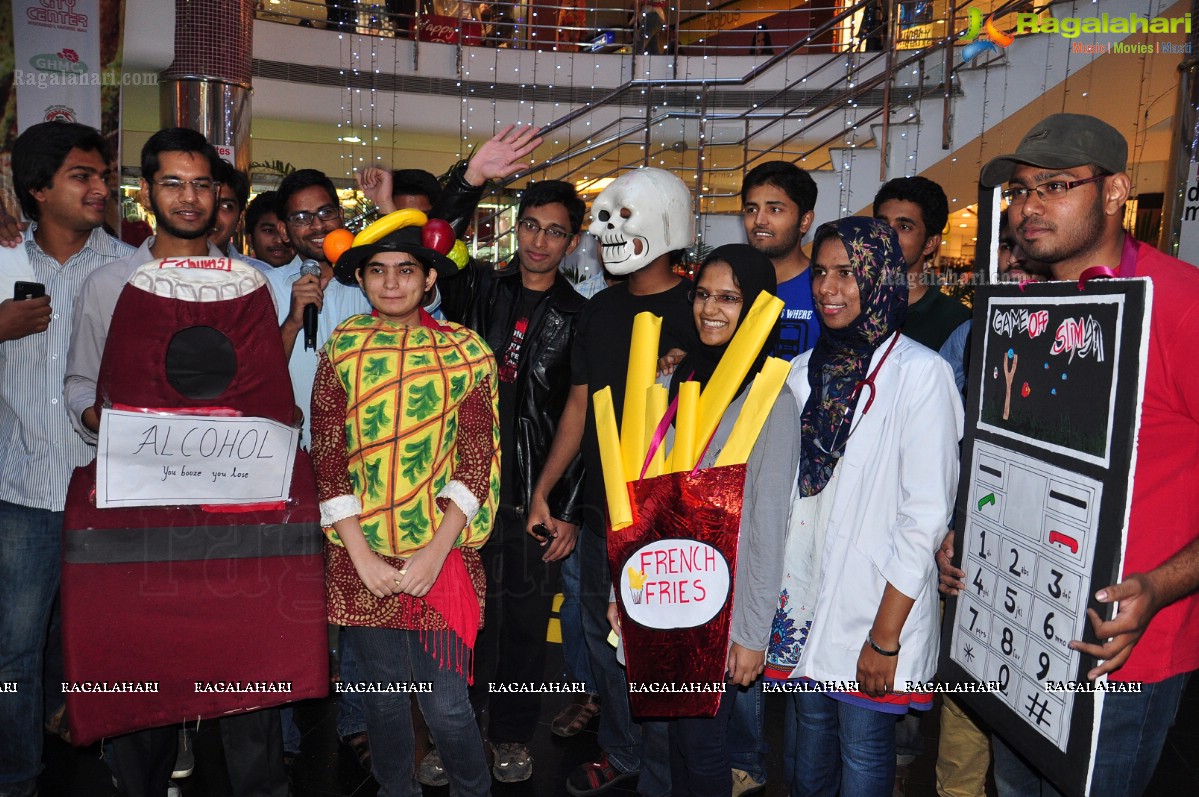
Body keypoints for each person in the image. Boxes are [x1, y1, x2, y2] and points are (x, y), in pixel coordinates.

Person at [951, 113, 1199, 797]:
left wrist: (1158, 585)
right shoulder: (1020, 303)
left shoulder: (1177, 303)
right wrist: (963, 536)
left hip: (1122, 651)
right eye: (1020, 190)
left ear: (1115, 190)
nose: (1029, 207)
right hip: (1018, 629)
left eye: (1054, 185)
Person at [63, 127, 288, 797]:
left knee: (247, 671)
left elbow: (265, 394)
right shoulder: (110, 281)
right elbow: (79, 383)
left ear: (218, 193)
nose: (188, 198)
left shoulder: (248, 282)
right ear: (145, 192)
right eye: (172, 183)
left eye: (201, 184)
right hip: (139, 508)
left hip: (233, 514)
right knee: (144, 665)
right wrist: (103, 422)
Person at [763, 217, 961, 796]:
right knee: (808, 740)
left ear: (880, 276)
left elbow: (925, 518)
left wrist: (884, 637)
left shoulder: (920, 374)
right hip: (807, 596)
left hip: (877, 607)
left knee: (864, 751)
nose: (828, 288)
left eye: (847, 273)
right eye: (821, 272)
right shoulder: (803, 373)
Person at [309, 220, 499, 797]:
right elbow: (327, 453)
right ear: (362, 280)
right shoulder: (342, 344)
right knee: (383, 702)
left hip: (441, 556)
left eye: (407, 270)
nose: (392, 283)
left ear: (430, 277)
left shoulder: (467, 352)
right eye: (378, 271)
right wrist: (361, 554)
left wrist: (435, 555)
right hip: (360, 556)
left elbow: (477, 460)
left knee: (446, 707)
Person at [530, 168, 699, 797]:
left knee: (662, 652)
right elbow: (579, 406)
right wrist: (546, 489)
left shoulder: (697, 308)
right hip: (605, 508)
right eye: (603, 217)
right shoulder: (601, 309)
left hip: (673, 517)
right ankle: (624, 750)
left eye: (622, 216)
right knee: (603, 644)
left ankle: (679, 763)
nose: (604, 232)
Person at [435, 180, 589, 782]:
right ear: (514, 226)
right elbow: (435, 238)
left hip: (532, 496)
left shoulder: (582, 315)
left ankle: (510, 735)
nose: (539, 241)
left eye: (555, 231)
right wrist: (469, 179)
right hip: (460, 489)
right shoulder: (476, 289)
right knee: (461, 617)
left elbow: (584, 416)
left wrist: (565, 505)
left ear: (572, 242)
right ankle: (456, 729)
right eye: (530, 225)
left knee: (524, 624)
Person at [0, 120, 134, 797]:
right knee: (13, 649)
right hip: (20, 490)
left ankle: (107, 759)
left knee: (107, 639)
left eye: (103, 174)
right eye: (82, 175)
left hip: (105, 490)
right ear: (37, 188)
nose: (100, 186)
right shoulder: (2, 262)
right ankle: (15, 776)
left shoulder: (129, 269)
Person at [646, 244, 789, 797]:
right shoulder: (681, 379)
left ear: (756, 308)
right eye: (703, 294)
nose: (711, 309)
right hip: (666, 591)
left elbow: (767, 525)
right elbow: (652, 492)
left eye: (730, 298)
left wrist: (752, 635)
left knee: (704, 748)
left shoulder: (769, 399)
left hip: (721, 608)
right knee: (674, 741)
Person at [873, 176, 970, 352]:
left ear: (930, 243)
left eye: (904, 227)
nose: (888, 235)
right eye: (882, 223)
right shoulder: (852, 304)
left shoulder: (956, 321)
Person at [209, 161, 272, 273]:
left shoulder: (262, 276)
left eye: (226, 206)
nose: (213, 215)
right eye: (208, 203)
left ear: (239, 220)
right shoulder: (168, 269)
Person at [244, 191, 295, 268]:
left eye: (286, 231)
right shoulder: (237, 277)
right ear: (250, 239)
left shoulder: (313, 275)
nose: (279, 240)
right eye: (269, 231)